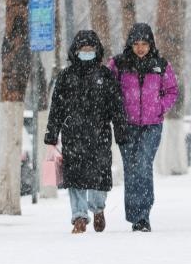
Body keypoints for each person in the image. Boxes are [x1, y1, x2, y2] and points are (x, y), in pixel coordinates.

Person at [44, 30, 128, 234]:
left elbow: (117, 107)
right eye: (83, 49)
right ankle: (79, 217)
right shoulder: (65, 76)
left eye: (90, 49)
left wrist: (120, 131)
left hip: (100, 135)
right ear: (76, 51)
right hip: (73, 135)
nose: (87, 52)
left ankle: (98, 209)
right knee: (75, 178)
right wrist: (51, 135)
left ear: (97, 50)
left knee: (100, 178)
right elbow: (56, 108)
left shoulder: (105, 76)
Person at [108, 22, 178, 232]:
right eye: (136, 43)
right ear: (130, 44)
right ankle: (134, 213)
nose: (140, 48)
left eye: (144, 44)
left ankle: (143, 216)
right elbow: (109, 89)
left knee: (143, 166)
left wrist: (159, 108)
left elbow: (172, 91)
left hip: (152, 124)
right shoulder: (118, 64)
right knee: (131, 168)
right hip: (126, 125)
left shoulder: (161, 65)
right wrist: (116, 111)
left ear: (151, 44)